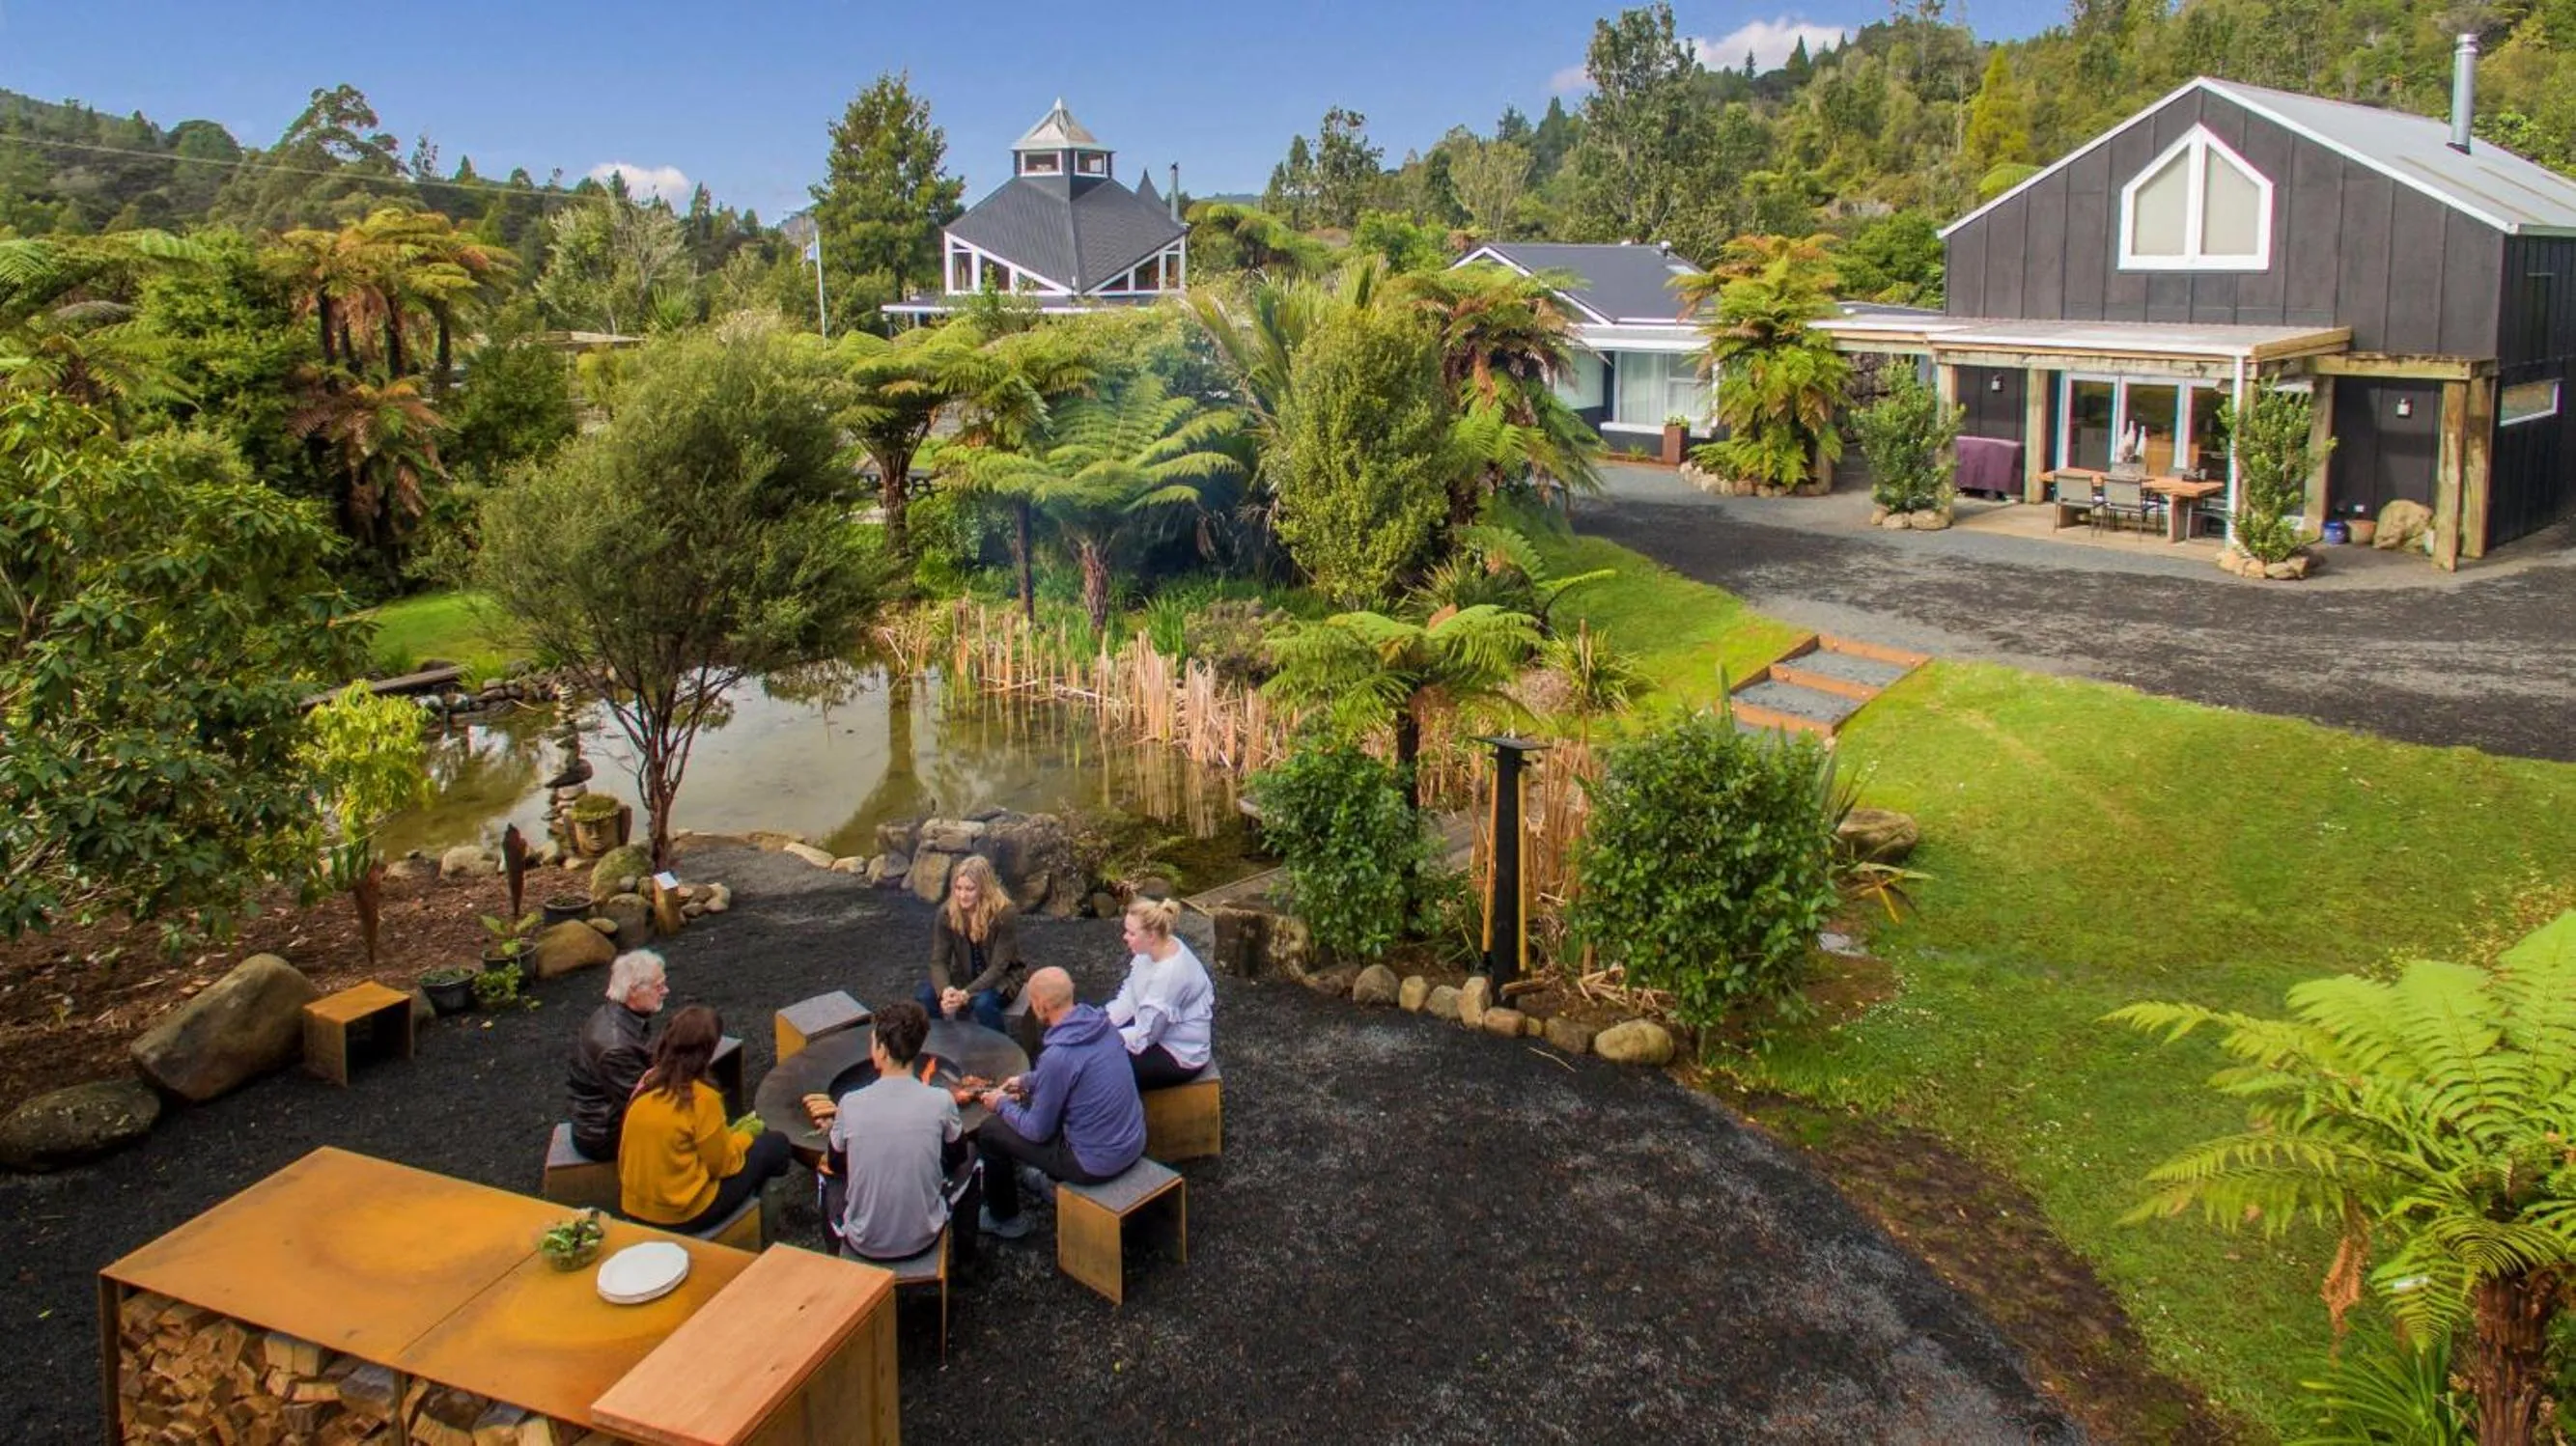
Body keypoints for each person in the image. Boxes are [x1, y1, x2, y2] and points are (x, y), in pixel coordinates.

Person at [972, 966, 1143, 1240]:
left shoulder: (1058, 1056)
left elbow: (1038, 1131)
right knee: (1046, 1104)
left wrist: (1002, 1103)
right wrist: (1028, 1081)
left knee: (992, 1131)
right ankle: (1047, 1178)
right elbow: (1075, 1073)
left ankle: (1003, 1218)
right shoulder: (1102, 1026)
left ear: (1040, 1005)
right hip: (1132, 1142)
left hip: (1094, 1163)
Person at [805, 999, 980, 1265]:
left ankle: (836, 1265)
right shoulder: (941, 1100)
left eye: (873, 1042)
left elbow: (839, 1164)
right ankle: (967, 1262)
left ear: (883, 1050)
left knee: (825, 1174)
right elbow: (956, 1156)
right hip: (924, 1235)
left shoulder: (850, 1104)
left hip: (864, 1241)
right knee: (972, 1156)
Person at [618, 1005, 792, 1233]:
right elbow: (724, 1165)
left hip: (634, 1208)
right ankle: (765, 1230)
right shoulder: (701, 1098)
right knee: (775, 1145)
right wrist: (744, 1136)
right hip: (683, 1214)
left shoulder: (647, 1085)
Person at [566, 951, 669, 1160]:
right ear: (634, 991)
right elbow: (642, 1103)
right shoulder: (616, 1047)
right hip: (604, 1135)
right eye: (659, 986)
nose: (666, 991)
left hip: (601, 1120)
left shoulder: (617, 1015)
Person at [1105, 897, 1215, 1089]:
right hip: (1154, 1028)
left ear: (1152, 935)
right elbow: (1130, 996)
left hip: (1179, 1052)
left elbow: (1147, 1035)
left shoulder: (1170, 975)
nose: (1125, 937)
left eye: (1131, 933)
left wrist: (1103, 1038)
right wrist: (1103, 1022)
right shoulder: (1154, 949)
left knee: (1102, 1069)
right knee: (1095, 1039)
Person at [919, 855, 1022, 1034]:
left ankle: (1000, 1052)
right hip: (964, 976)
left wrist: (965, 994)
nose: (962, 895)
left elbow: (999, 967)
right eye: (958, 888)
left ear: (984, 888)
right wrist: (946, 991)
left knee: (983, 1004)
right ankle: (944, 1044)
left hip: (1001, 980)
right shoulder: (947, 913)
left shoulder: (1004, 913)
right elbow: (939, 960)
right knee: (925, 997)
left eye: (970, 889)